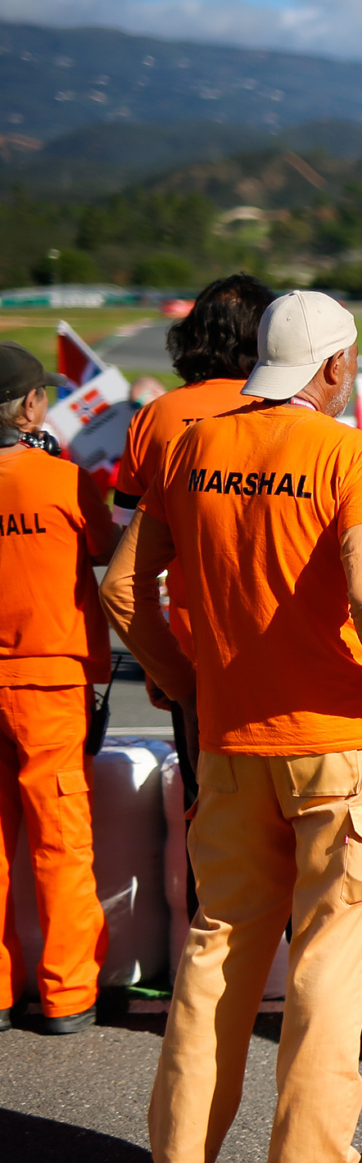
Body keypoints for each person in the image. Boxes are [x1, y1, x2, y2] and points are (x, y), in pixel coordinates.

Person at [101, 290, 362, 1163]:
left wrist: (187, 684)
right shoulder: (351, 454)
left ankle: (178, 1155)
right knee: (332, 955)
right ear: (330, 368)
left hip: (235, 740)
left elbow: (125, 591)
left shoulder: (193, 446)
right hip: (341, 743)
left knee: (219, 944)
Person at [0, 341, 117, 1035]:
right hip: (48, 676)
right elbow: (105, 548)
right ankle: (67, 992)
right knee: (61, 840)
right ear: (33, 405)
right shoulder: (63, 479)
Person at [111, 273, 272, 773]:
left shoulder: (156, 416)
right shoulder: (285, 409)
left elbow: (128, 547)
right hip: (283, 637)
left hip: (193, 640)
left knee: (207, 819)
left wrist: (167, 667)